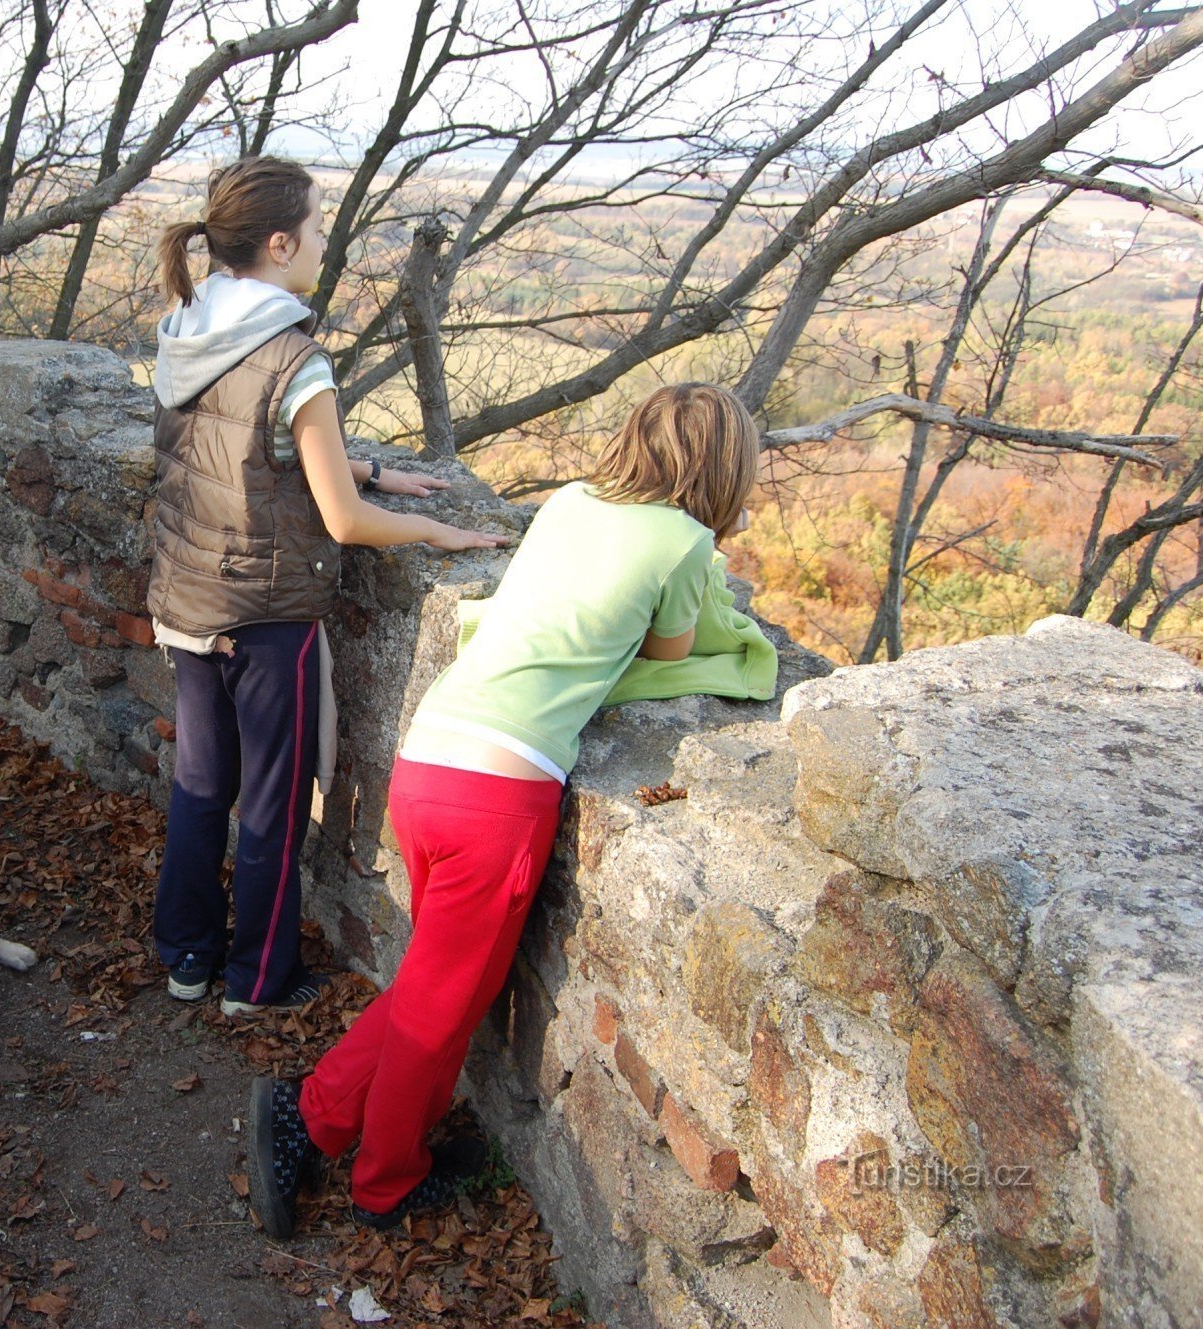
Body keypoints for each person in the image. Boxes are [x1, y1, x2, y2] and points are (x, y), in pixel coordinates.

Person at [244, 382, 766, 1234]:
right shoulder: (686, 542)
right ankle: (386, 1182)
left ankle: (310, 1115)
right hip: (501, 794)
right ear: (724, 468)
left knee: (430, 987)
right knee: (442, 1008)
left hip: (430, 753)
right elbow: (672, 650)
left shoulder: (567, 502)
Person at [145, 156, 505, 1018]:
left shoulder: (187, 325)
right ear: (279, 242)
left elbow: (236, 445)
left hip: (188, 599)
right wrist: (435, 529)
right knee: (271, 804)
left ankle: (186, 958)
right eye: (315, 224)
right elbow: (342, 522)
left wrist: (369, 465)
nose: (323, 240)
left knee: (200, 788)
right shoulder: (296, 355)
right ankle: (258, 982)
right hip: (269, 616)